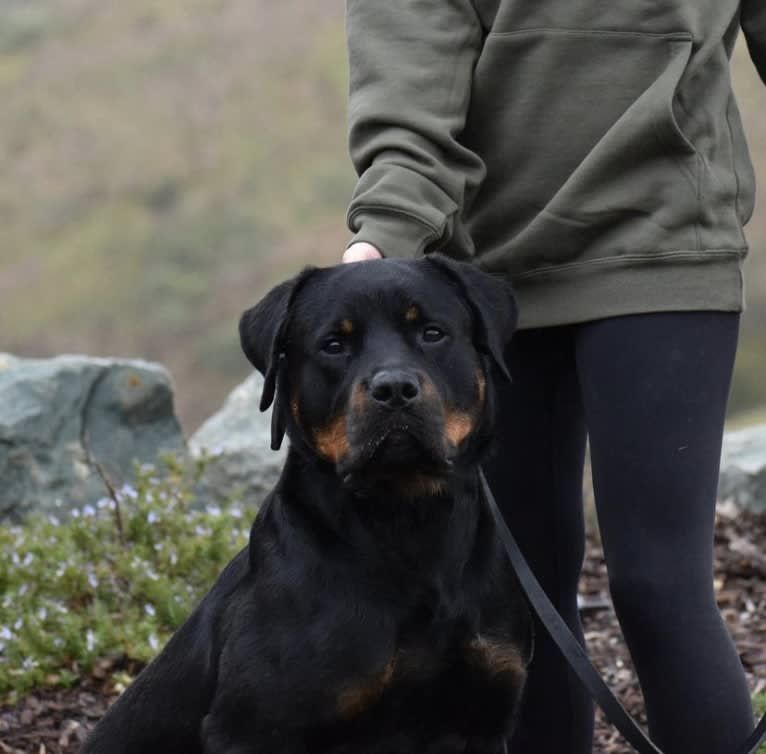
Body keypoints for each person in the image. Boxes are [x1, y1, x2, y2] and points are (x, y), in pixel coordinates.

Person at [341, 1, 765, 752]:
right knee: (517, 595)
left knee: (659, 586)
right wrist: (385, 238)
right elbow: (411, 89)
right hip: (491, 276)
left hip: (667, 243)